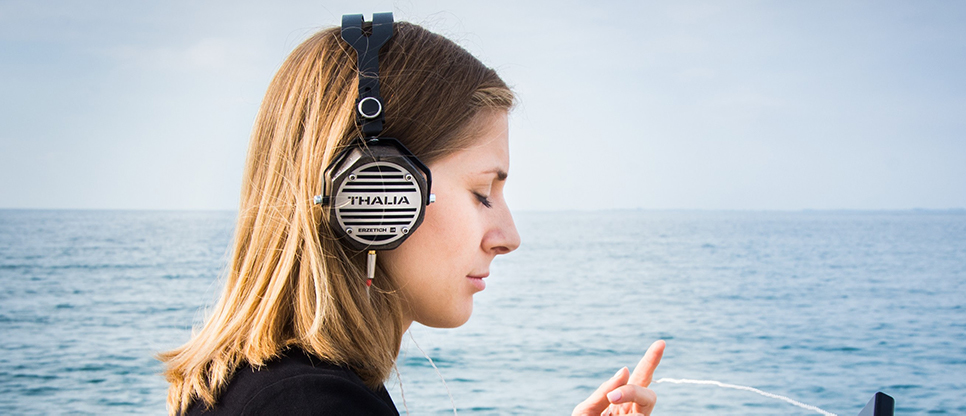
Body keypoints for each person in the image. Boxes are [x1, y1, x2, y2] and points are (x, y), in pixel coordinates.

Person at [159, 14, 665, 416]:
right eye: (481, 191)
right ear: (371, 189)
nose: (508, 237)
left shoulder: (267, 388)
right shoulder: (310, 404)